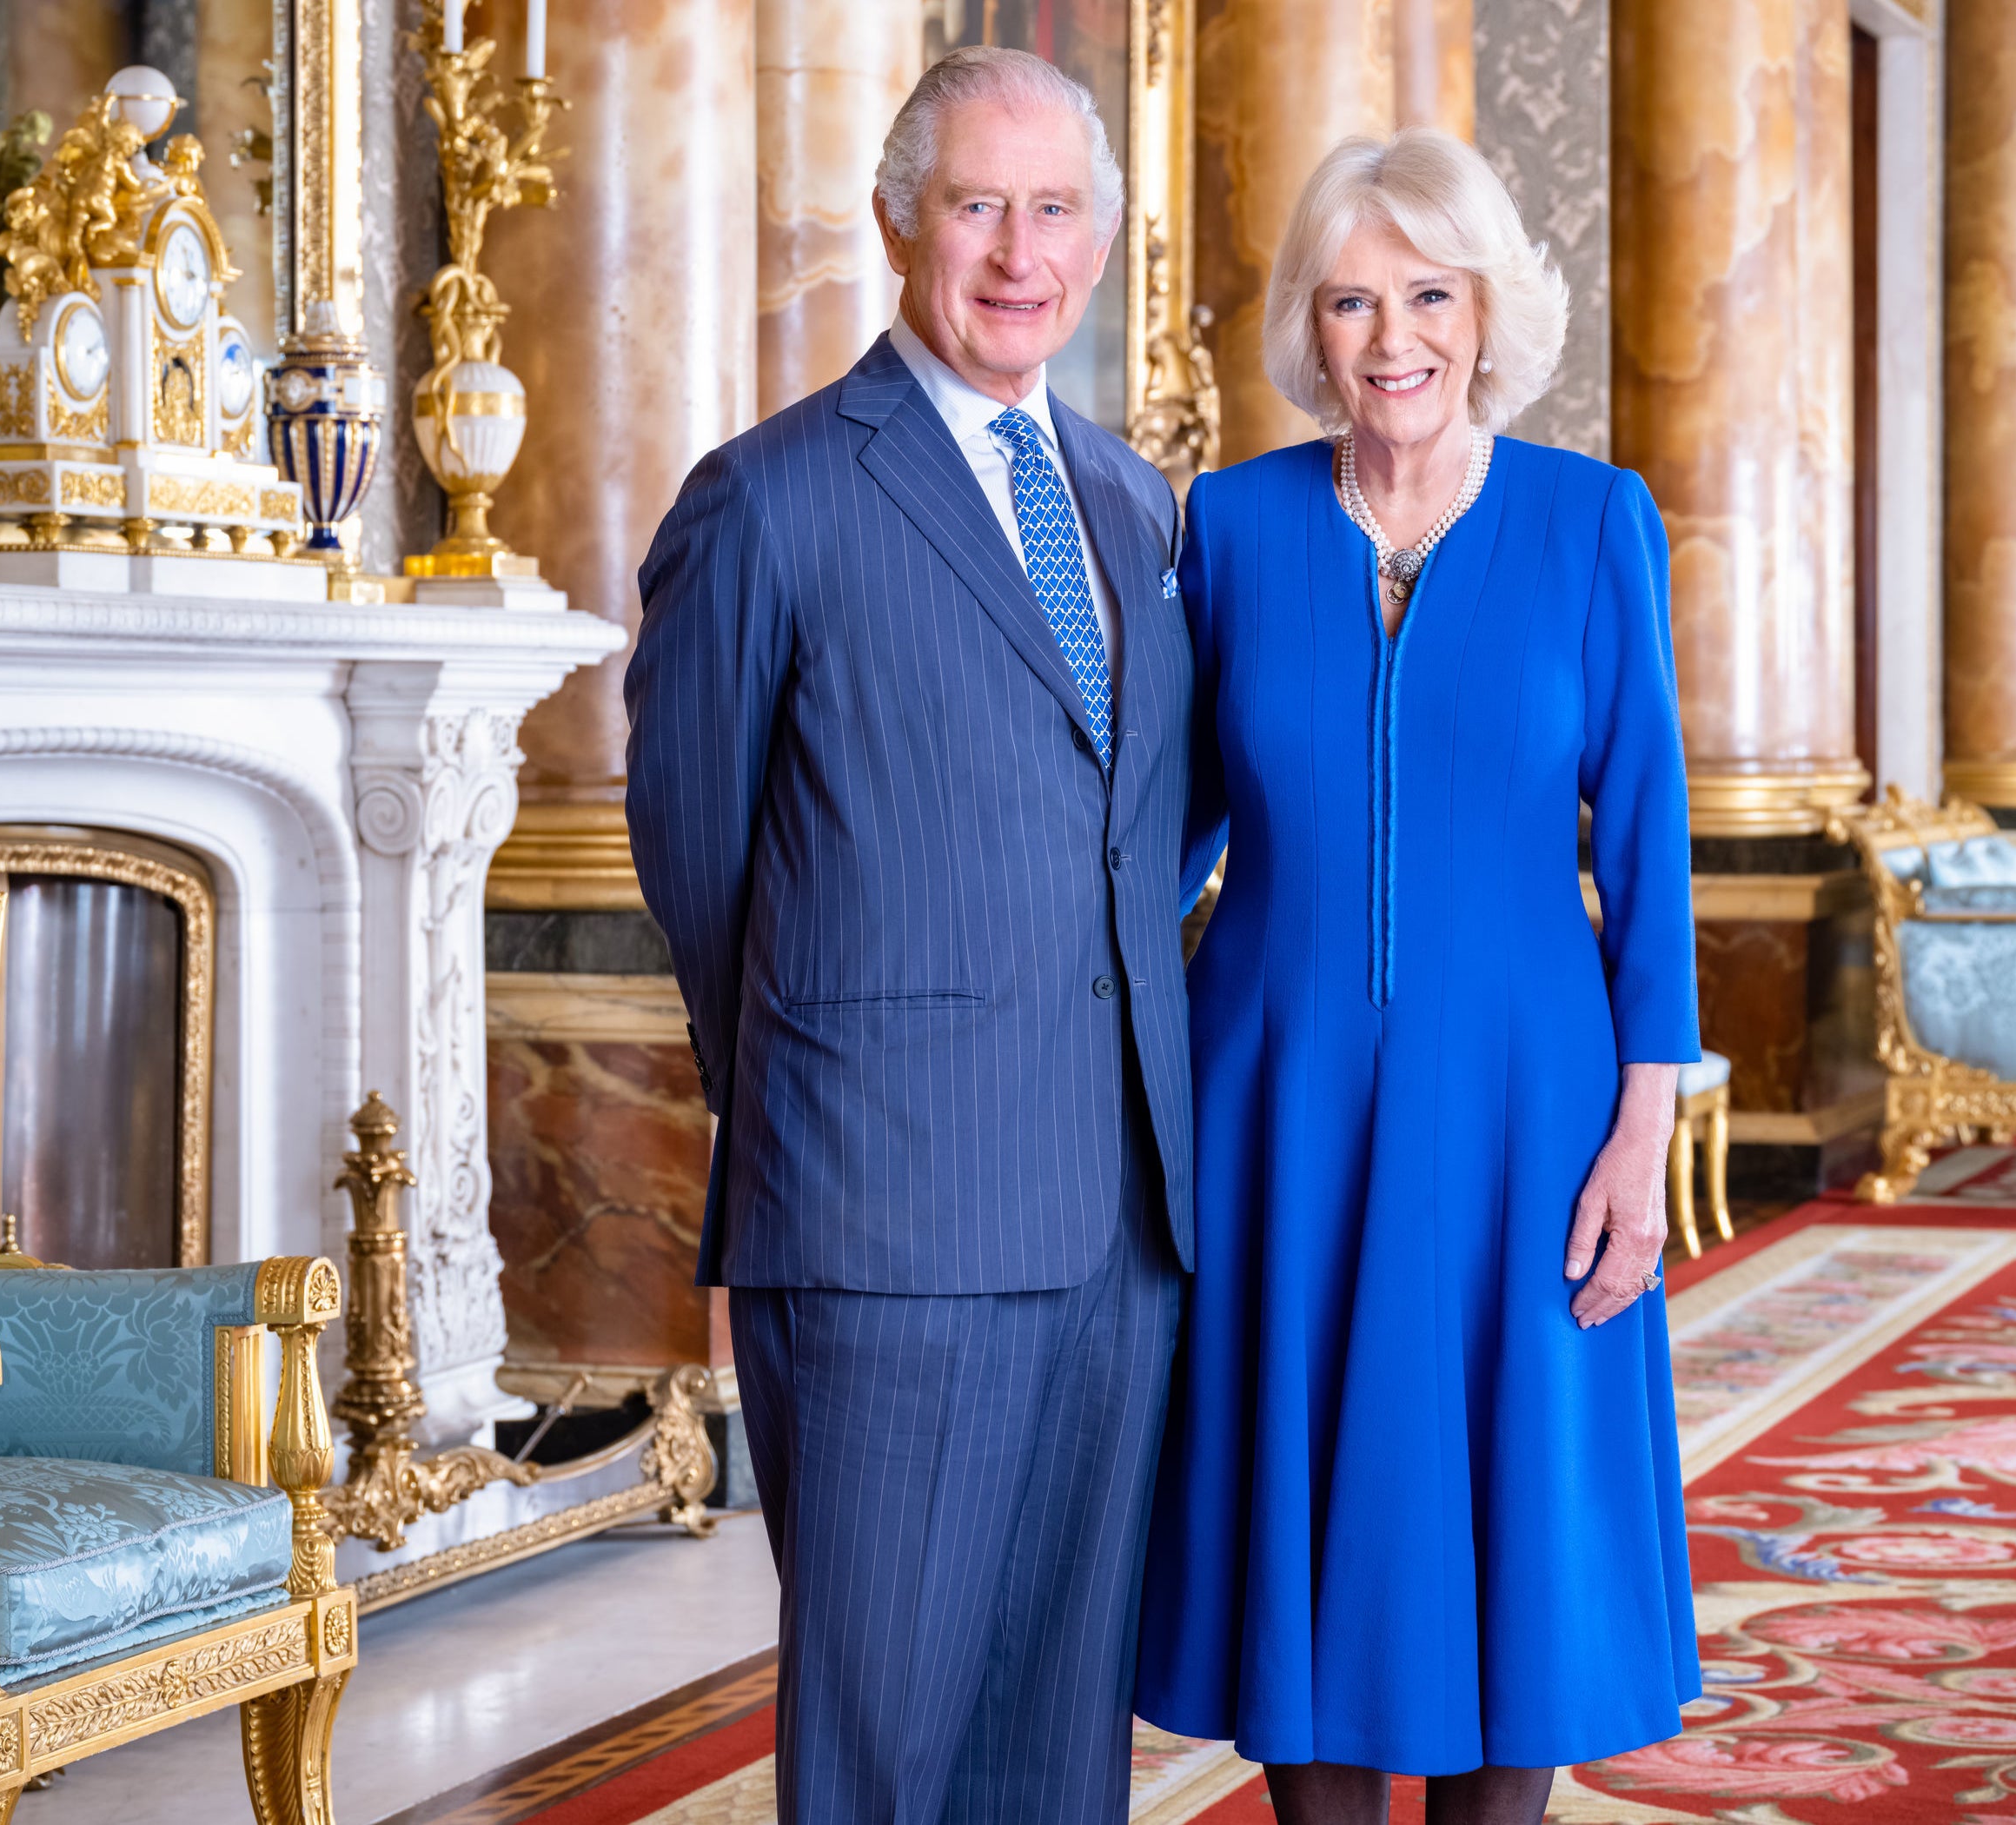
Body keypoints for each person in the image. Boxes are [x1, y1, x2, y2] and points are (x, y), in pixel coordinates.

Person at [624, 46, 1193, 1825]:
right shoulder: (770, 497)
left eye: (1052, 209)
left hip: (1121, 1211)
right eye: (975, 205)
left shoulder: (1127, 499)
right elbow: (696, 854)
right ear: (894, 222)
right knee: (885, 1738)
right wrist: (821, 1098)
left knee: (1055, 1723)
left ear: (1096, 239)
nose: (1017, 251)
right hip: (885, 1209)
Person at [1135, 129, 1702, 1825]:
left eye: (1426, 294)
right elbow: (1150, 839)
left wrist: (1641, 1126)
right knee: (1300, 1523)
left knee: (1514, 1522)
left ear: (1484, 308)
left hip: (1532, 1104)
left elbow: (1651, 838)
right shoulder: (1224, 528)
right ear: (1308, 330)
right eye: (1351, 299)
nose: (1392, 339)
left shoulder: (1590, 522)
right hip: (1274, 1100)